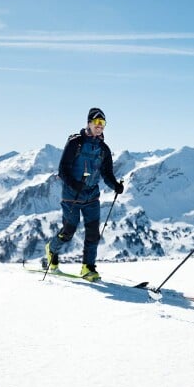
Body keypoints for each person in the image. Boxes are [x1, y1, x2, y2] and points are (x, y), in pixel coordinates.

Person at [45, 107, 124, 281]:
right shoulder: (76, 143)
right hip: (71, 195)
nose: (99, 126)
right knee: (68, 230)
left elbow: (107, 173)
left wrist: (115, 186)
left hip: (91, 196)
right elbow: (62, 170)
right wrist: (75, 184)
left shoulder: (104, 149)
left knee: (93, 233)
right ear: (88, 123)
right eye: (96, 122)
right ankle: (52, 250)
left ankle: (88, 268)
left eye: (102, 123)